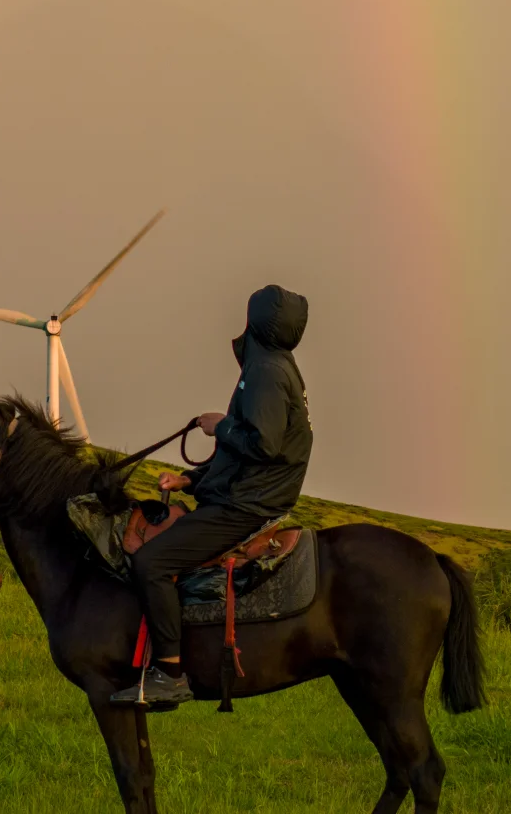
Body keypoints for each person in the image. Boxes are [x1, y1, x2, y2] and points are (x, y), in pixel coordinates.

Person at [112, 284, 313, 708]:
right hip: (247, 493)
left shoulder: (266, 372)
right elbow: (247, 459)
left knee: (151, 562)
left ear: (255, 321)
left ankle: (169, 673)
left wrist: (218, 424)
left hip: (246, 508)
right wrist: (192, 482)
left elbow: (263, 445)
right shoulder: (277, 365)